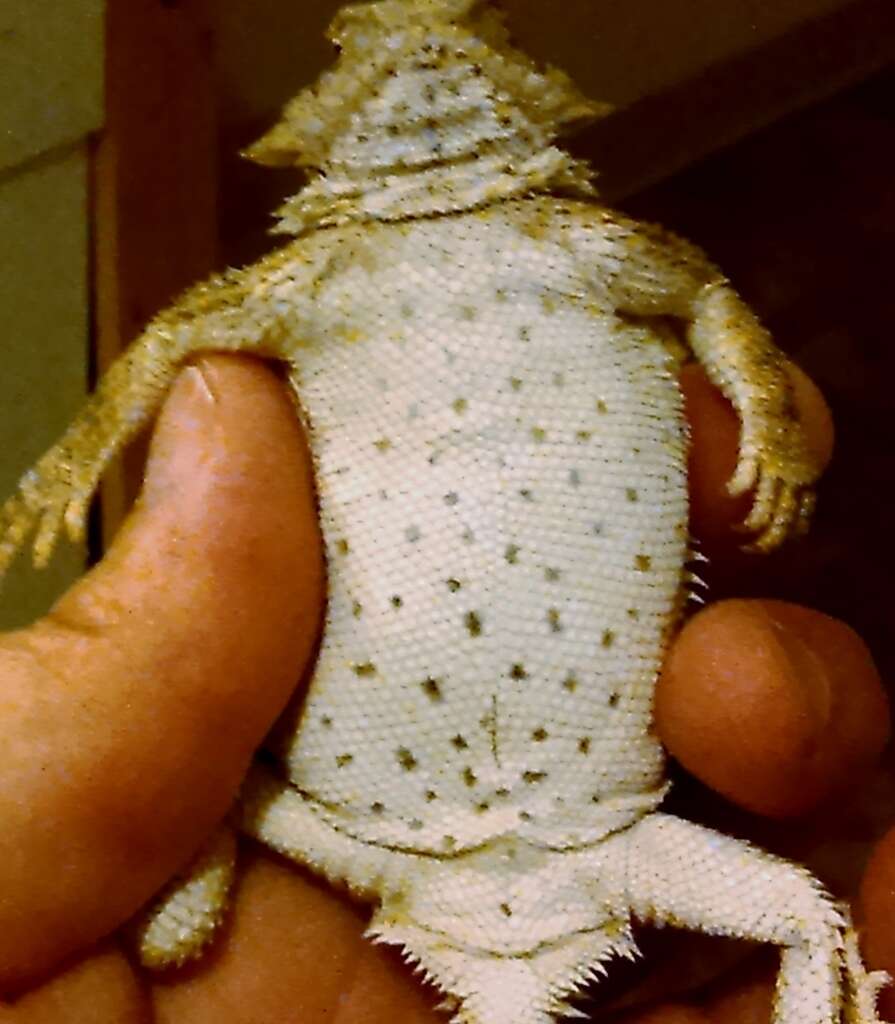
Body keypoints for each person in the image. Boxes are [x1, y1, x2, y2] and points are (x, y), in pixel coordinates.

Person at [0, 355, 887, 1023]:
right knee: (803, 904)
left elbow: (222, 803)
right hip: (565, 836)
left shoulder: (343, 853)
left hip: (418, 841)